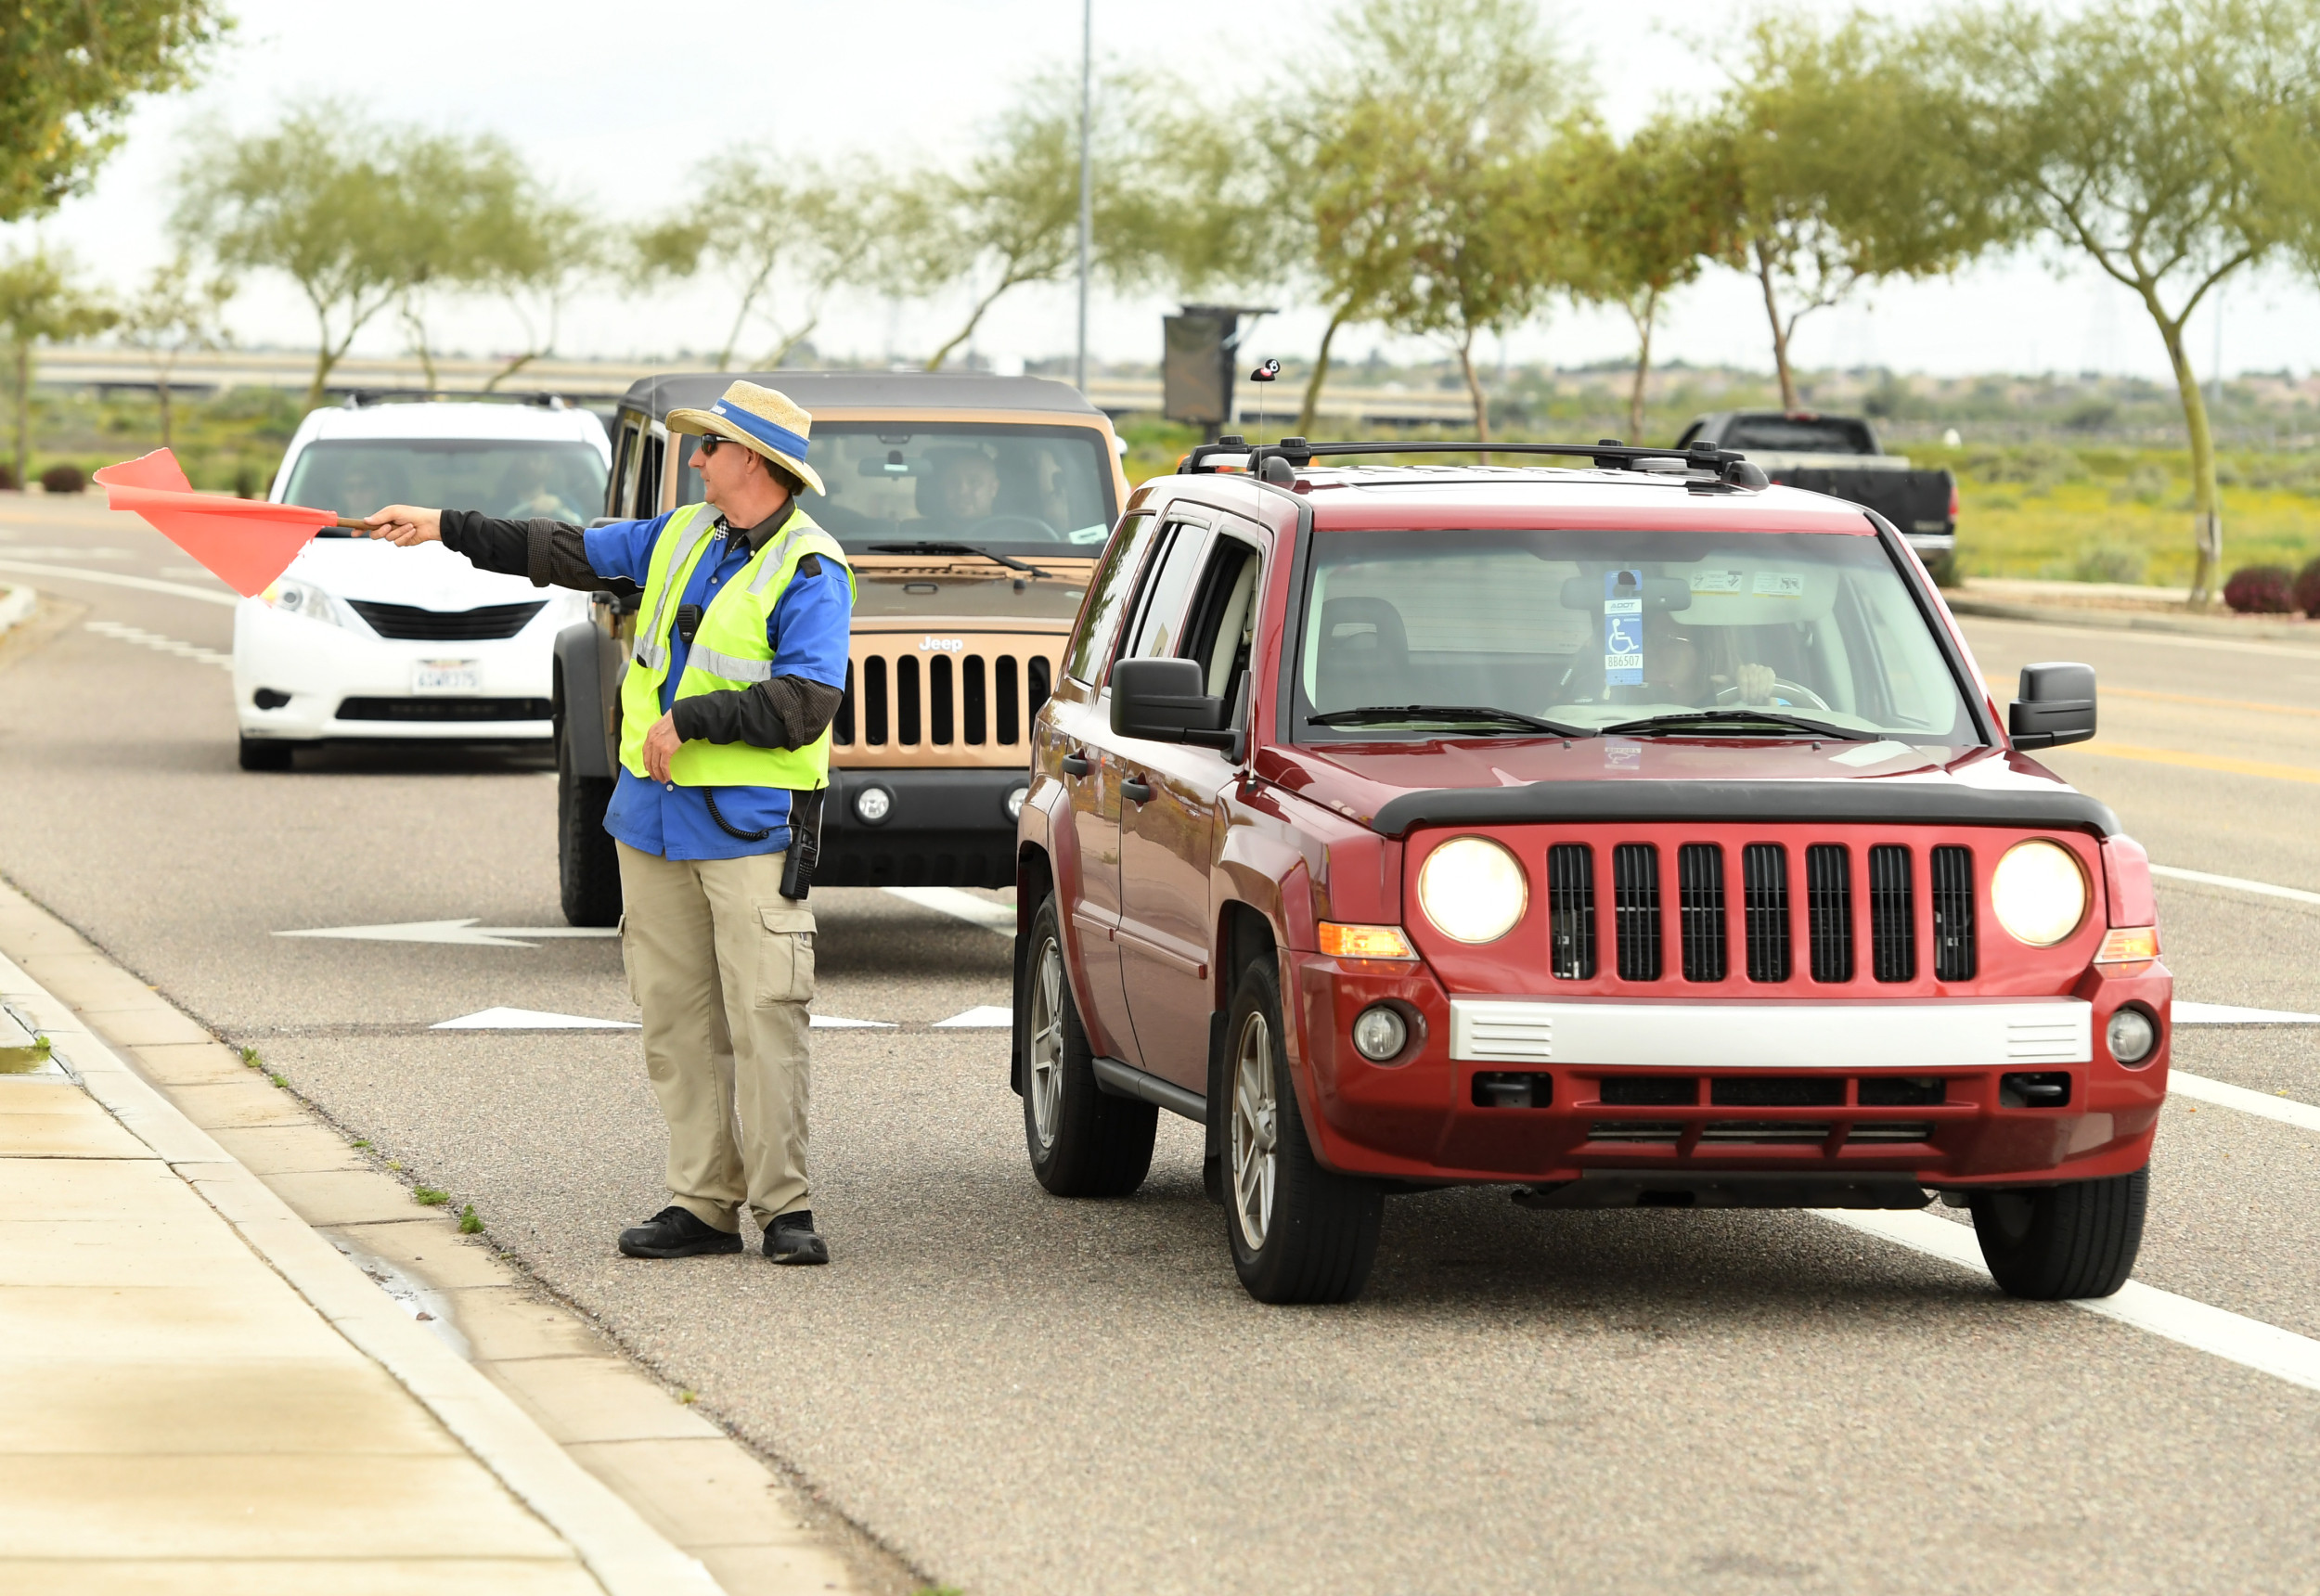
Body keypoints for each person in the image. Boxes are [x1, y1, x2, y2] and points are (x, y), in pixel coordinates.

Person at [361, 381, 855, 1265]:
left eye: (710, 446)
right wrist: (442, 525)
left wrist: (691, 721)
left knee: (766, 1020)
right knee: (675, 1023)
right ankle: (704, 1205)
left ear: (753, 460)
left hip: (748, 832)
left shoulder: (812, 567)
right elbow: (563, 548)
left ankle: (787, 1210)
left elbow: (807, 701)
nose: (695, 459)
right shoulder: (682, 534)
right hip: (651, 824)